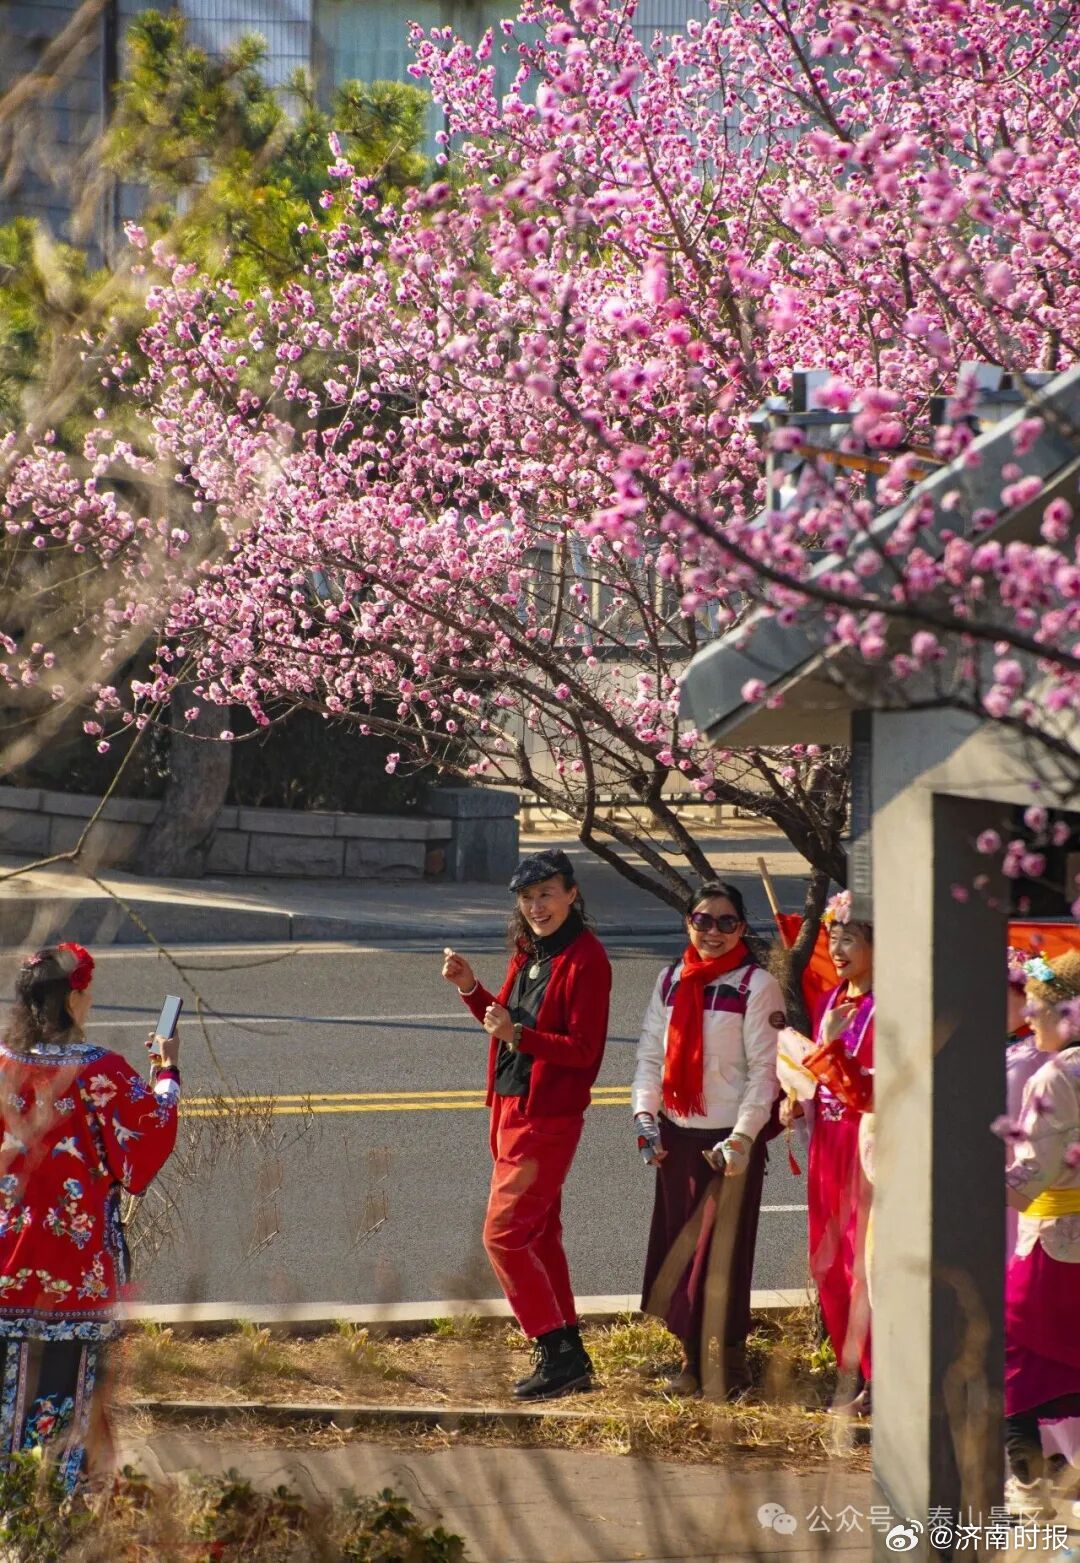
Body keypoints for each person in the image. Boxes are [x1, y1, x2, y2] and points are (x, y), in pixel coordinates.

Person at [0, 944, 181, 1487]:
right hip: (74, 1271)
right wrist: (168, 1072)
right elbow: (146, 1136)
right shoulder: (100, 1072)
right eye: (87, 993)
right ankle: (50, 1503)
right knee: (66, 1391)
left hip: (4, 1262)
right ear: (73, 1000)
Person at [442, 849, 611, 1400]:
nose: (536, 906)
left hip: (548, 1116)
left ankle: (554, 1348)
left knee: (505, 1236)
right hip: (510, 1108)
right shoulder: (529, 951)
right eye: (527, 897)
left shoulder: (587, 960)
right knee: (539, 1235)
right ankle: (570, 1352)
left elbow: (584, 1051)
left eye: (547, 895)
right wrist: (472, 990)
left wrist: (519, 1035)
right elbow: (506, 1026)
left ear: (572, 895)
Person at [633, 880, 783, 1398]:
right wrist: (645, 1118)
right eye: (702, 920)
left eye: (726, 922)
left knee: (720, 1259)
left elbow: (766, 1073)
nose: (712, 932)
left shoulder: (754, 985)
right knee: (680, 1255)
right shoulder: (671, 979)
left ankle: (730, 1366)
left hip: (728, 1148)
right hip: (677, 1140)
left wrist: (742, 1139)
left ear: (742, 928)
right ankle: (692, 1364)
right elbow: (651, 1056)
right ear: (688, 923)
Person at [783, 889, 873, 1414]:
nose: (838, 950)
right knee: (828, 1263)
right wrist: (797, 1104)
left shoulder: (887, 1007)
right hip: (827, 1146)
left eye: (851, 939)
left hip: (866, 1150)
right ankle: (852, 1371)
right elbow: (820, 1079)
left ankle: (881, 1381)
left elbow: (869, 1091)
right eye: (833, 938)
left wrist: (834, 1048)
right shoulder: (829, 1002)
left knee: (866, 1266)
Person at [1003, 950, 1080, 1507]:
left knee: (1010, 1352)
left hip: (1055, 1239)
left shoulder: (1055, 1075)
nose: (1030, 1022)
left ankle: (1027, 1483)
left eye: (1038, 1012)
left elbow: (1032, 1172)